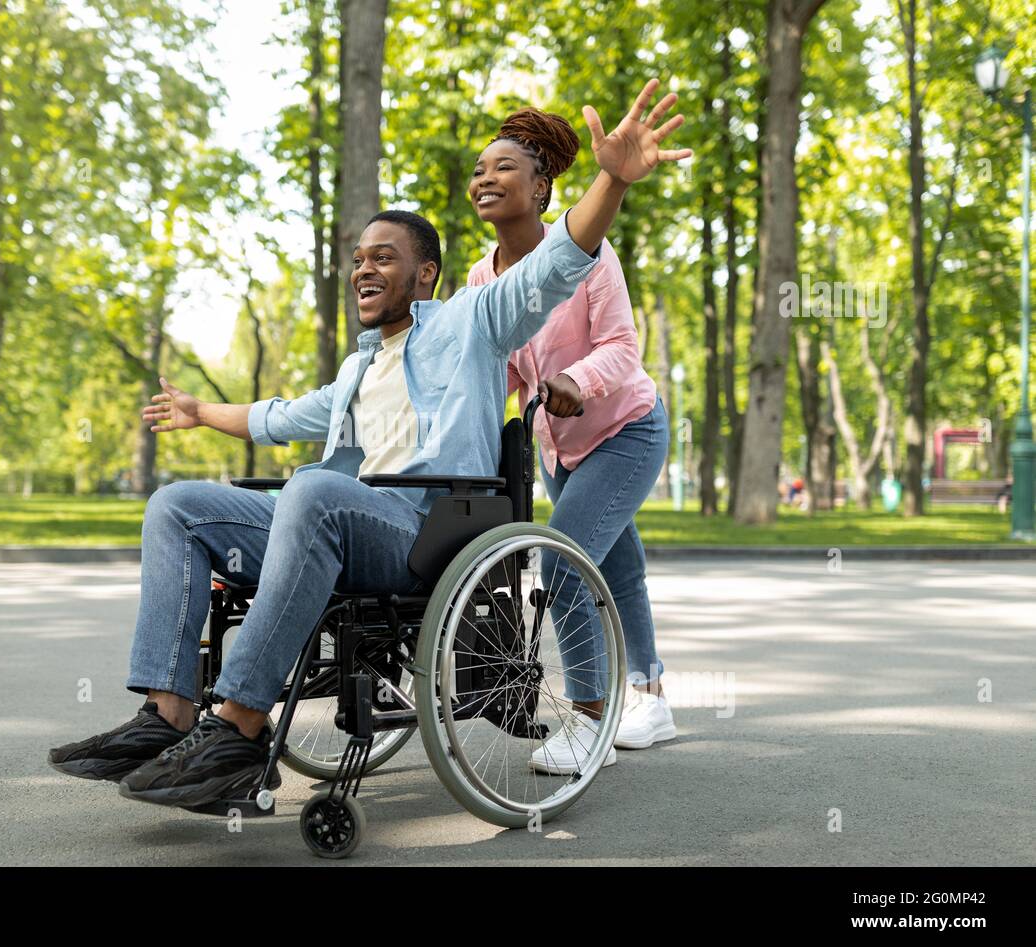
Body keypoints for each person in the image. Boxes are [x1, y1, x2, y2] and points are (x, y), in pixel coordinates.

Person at [47, 80, 691, 809]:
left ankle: (241, 728)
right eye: (358, 258)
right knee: (178, 506)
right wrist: (201, 409)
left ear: (425, 276)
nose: (364, 269)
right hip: (339, 516)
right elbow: (282, 415)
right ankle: (165, 713)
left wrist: (611, 178)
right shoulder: (360, 367)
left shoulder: (471, 318)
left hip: (422, 531)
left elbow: (559, 262)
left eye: (383, 257)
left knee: (315, 491)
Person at [465, 107, 675, 772]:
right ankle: (651, 697)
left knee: (560, 564)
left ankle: (589, 720)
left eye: (504, 167)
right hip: (559, 449)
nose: (485, 178)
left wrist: (574, 379)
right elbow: (490, 371)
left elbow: (623, 348)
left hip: (628, 430)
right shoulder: (480, 278)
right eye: (479, 169)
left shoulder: (590, 249)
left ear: (541, 188)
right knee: (619, 569)